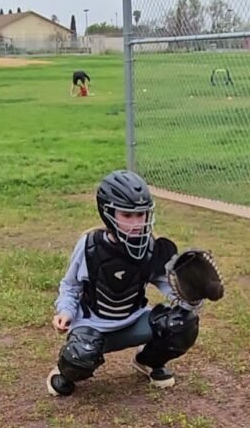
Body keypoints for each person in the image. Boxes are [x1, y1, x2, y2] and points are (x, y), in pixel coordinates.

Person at [47, 170, 202, 397]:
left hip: (134, 322)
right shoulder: (90, 245)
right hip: (93, 327)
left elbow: (170, 289)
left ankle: (147, 360)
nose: (137, 223)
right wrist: (66, 312)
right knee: (80, 356)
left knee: (182, 324)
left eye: (141, 215)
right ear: (107, 212)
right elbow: (70, 286)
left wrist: (192, 294)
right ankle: (64, 370)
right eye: (127, 215)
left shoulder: (151, 247)